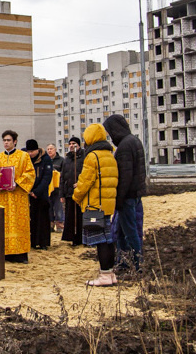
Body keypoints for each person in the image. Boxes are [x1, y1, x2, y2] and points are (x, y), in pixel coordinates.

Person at [72, 123, 119, 286]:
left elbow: (85, 182)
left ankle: (104, 275)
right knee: (108, 239)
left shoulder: (92, 157)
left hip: (95, 204)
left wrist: (76, 195)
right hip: (107, 204)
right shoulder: (110, 155)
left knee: (100, 241)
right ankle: (110, 273)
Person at [103, 114, 147, 272]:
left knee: (130, 232)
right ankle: (122, 262)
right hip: (135, 195)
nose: (110, 135)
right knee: (122, 232)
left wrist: (119, 199)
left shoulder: (124, 147)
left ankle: (138, 263)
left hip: (127, 197)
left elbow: (125, 177)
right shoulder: (134, 141)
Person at [0, 130, 36, 263]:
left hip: (18, 197)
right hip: (3, 197)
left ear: (15, 141)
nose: (6, 143)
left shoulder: (23, 156)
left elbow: (30, 173)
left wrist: (17, 183)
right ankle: (4, 253)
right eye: (4, 140)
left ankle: (20, 255)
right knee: (4, 224)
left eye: (9, 140)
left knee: (19, 224)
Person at [27, 139, 53, 249]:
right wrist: (29, 190)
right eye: (29, 151)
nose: (30, 153)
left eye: (32, 151)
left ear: (37, 150)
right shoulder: (26, 158)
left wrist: (36, 192)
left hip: (41, 194)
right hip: (29, 193)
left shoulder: (46, 159)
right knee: (32, 219)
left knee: (42, 219)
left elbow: (47, 178)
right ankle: (32, 242)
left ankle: (43, 243)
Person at [60, 137, 85, 246]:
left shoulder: (84, 157)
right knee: (70, 217)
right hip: (69, 192)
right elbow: (62, 178)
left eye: (74, 143)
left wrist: (80, 183)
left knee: (80, 216)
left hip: (80, 192)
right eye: (69, 143)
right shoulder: (66, 159)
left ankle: (82, 238)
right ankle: (72, 238)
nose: (71, 145)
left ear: (79, 145)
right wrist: (62, 193)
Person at [46, 143, 64, 231]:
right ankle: (50, 225)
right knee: (49, 207)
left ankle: (60, 225)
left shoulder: (61, 160)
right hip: (48, 189)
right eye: (48, 149)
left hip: (58, 188)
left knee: (58, 207)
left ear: (55, 150)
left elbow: (64, 173)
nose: (49, 150)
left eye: (51, 149)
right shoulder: (45, 160)